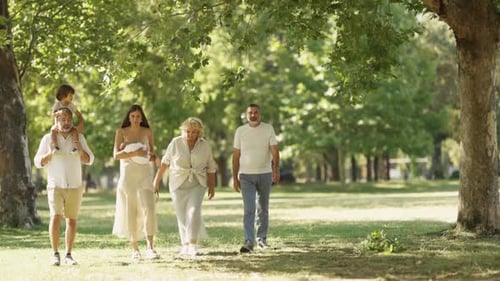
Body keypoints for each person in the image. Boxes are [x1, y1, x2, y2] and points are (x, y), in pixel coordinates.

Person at [34, 107, 95, 266]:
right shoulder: (48, 139)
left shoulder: (79, 137)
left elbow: (90, 159)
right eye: (63, 119)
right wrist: (50, 153)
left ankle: (68, 255)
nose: (67, 122)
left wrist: (81, 150)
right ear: (57, 120)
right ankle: (55, 254)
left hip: (75, 185)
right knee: (55, 217)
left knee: (72, 220)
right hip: (55, 185)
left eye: (69, 119)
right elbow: (38, 162)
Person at [153, 117, 216, 257]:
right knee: (182, 216)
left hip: (197, 183)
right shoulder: (176, 143)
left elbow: (211, 167)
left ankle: (192, 245)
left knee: (193, 212)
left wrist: (211, 186)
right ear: (183, 130)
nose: (190, 135)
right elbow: (165, 163)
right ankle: (185, 245)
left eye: (194, 132)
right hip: (177, 184)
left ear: (199, 132)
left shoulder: (204, 145)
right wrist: (156, 181)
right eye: (188, 131)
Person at [112, 104, 160, 261]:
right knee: (131, 210)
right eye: (132, 116)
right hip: (128, 174)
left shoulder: (148, 131)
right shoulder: (121, 132)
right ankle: (135, 249)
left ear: (142, 117)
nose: (135, 119)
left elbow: (152, 153)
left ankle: (150, 247)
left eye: (138, 116)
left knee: (149, 208)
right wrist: (134, 152)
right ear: (128, 117)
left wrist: (152, 155)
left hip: (145, 173)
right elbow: (116, 155)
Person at [232, 103, 280, 253]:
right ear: (246, 115)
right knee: (249, 209)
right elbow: (236, 155)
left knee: (263, 209)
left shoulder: (268, 129)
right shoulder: (240, 131)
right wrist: (235, 177)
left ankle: (262, 240)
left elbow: (275, 151)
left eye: (256, 112)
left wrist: (275, 170)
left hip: (265, 174)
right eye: (250, 113)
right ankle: (248, 241)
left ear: (260, 114)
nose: (253, 115)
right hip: (246, 175)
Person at [50, 84, 84, 152]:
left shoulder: (71, 105)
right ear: (63, 95)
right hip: (58, 126)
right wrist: (58, 113)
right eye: (70, 95)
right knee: (53, 131)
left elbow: (78, 114)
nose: (72, 97)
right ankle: (55, 146)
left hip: (69, 126)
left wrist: (81, 123)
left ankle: (75, 147)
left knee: (75, 131)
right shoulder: (57, 104)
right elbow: (52, 114)